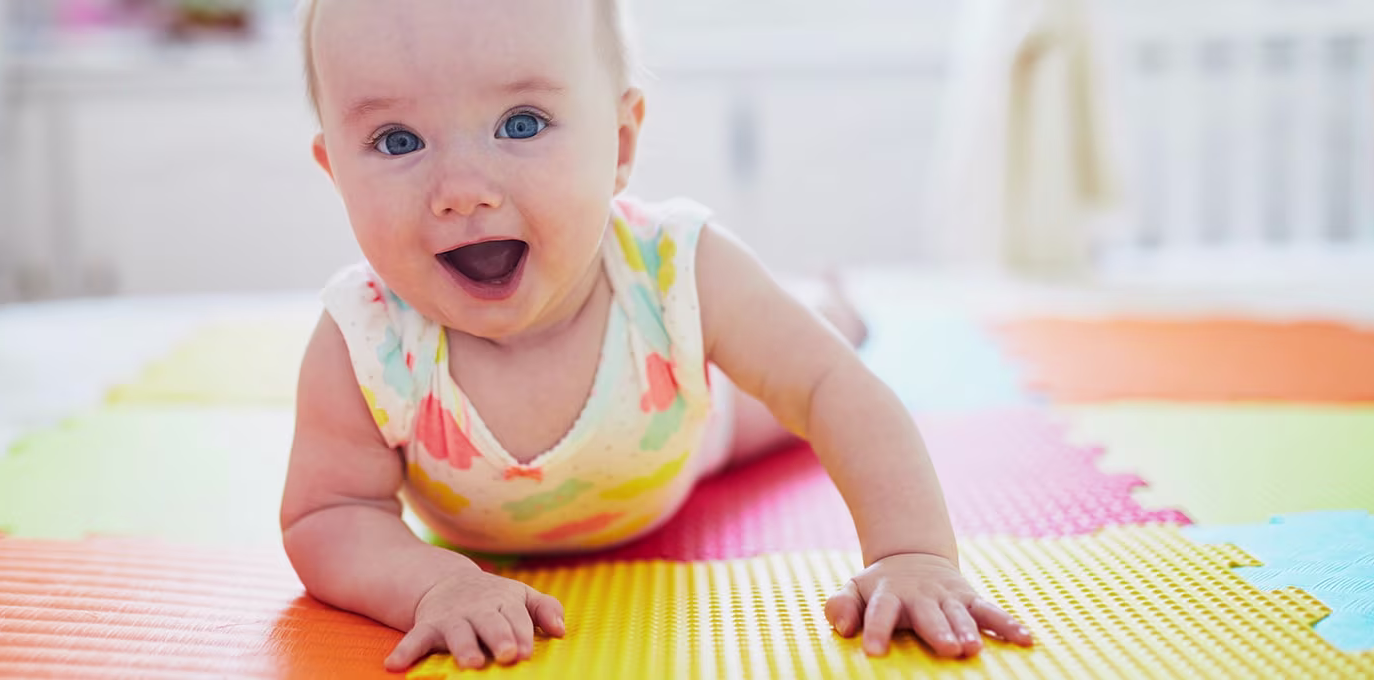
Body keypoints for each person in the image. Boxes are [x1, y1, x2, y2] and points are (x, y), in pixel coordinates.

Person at [279, 0, 1034, 671]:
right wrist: (433, 585)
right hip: (613, 455)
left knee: (792, 372)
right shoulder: (365, 338)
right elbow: (330, 515)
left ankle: (834, 307)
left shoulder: (677, 272)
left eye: (522, 124)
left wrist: (912, 554)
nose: (462, 191)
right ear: (333, 169)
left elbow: (832, 390)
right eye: (397, 140)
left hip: (685, 423)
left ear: (620, 143)